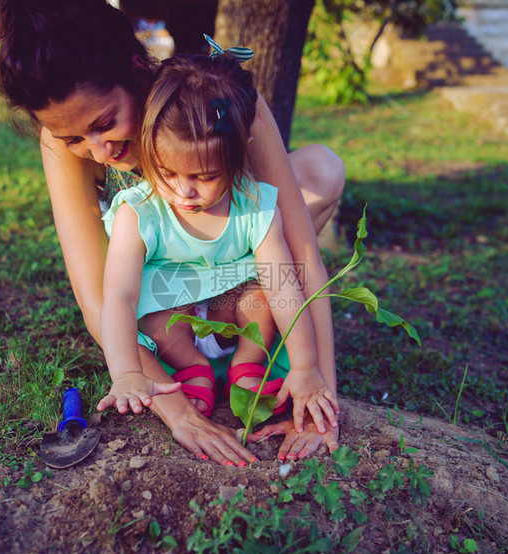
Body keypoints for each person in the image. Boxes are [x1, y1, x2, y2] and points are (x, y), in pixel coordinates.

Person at [0, 0, 344, 465]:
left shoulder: (217, 101)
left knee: (320, 169)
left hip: (234, 278)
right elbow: (101, 299)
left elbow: (300, 258)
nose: (96, 152)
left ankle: (245, 338)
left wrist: (319, 389)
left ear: (139, 72)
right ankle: (204, 356)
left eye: (103, 123)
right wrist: (175, 411)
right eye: (74, 139)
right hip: (160, 305)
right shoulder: (73, 149)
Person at [99, 52, 339, 435]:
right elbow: (118, 297)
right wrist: (127, 372)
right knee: (156, 319)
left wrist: (306, 367)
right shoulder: (139, 214)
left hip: (232, 315)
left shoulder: (255, 207)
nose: (184, 190)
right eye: (167, 172)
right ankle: (194, 368)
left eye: (205, 175)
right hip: (176, 323)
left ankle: (247, 363)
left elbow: (284, 286)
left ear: (241, 149)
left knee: (261, 295)